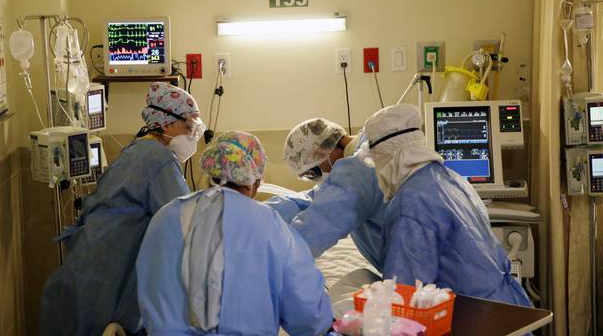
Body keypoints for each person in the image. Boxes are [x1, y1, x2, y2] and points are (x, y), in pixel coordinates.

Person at [40, 82, 205, 336]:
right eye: (190, 125)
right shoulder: (158, 160)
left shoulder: (138, 150)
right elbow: (185, 228)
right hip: (100, 294)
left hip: (82, 280)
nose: (194, 134)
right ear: (165, 122)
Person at [136, 131, 333, 335]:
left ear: (210, 172)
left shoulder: (165, 217)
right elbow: (308, 314)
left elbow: (149, 292)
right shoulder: (269, 223)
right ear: (253, 181)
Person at [363, 104, 532, 306]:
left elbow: (402, 295)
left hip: (473, 318)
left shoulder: (409, 205)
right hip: (506, 306)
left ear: (385, 156)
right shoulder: (453, 179)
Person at [264, 118, 388, 272]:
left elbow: (317, 226)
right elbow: (310, 200)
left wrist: (267, 257)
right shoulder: (357, 160)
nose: (317, 179)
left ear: (320, 152)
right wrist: (258, 214)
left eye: (312, 173)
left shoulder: (361, 167)